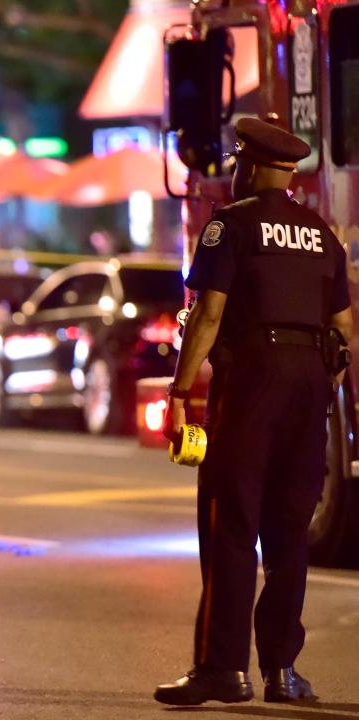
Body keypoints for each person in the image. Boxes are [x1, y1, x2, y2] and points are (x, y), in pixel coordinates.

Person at [155, 117, 353, 705]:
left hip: (252, 387)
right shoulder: (321, 232)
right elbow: (345, 330)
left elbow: (209, 316)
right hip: (310, 385)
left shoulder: (230, 226)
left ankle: (223, 669)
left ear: (248, 165)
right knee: (289, 534)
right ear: (290, 174)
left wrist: (180, 393)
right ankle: (283, 673)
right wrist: (319, 381)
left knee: (232, 526)